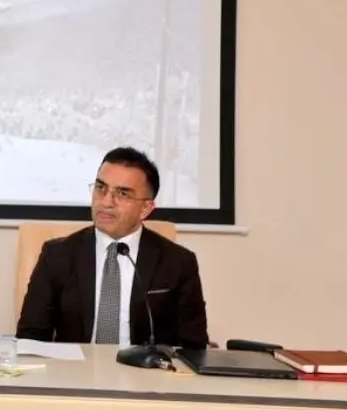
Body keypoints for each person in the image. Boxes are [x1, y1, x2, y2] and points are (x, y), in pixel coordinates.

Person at [16, 146, 208, 349]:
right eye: (101, 188)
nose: (106, 202)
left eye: (122, 193)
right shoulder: (57, 255)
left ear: (145, 208)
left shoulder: (178, 263)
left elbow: (193, 347)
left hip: (144, 367)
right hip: (76, 367)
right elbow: (30, 337)